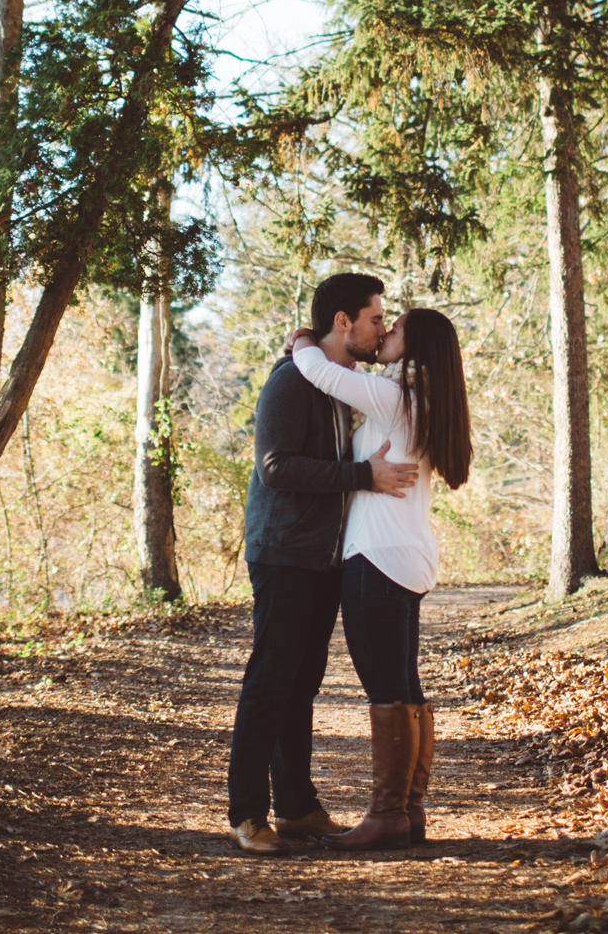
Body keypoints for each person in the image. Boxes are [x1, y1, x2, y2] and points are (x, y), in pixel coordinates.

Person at [227, 273, 418, 854]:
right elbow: (275, 467)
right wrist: (364, 477)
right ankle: (246, 813)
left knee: (302, 682)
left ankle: (297, 807)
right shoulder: (291, 381)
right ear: (343, 322)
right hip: (284, 551)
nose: (382, 328)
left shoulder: (343, 382)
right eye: (375, 319)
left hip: (323, 557)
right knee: (270, 677)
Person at [286, 305, 472, 852]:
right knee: (405, 688)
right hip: (406, 557)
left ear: (416, 349)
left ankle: (388, 813)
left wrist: (302, 336)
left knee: (388, 690)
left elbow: (319, 371)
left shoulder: (394, 400)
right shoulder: (424, 401)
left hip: (376, 560)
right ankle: (408, 811)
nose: (387, 332)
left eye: (398, 329)